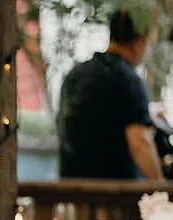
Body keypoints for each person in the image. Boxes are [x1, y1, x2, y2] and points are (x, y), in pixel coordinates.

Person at [57, 2, 164, 180]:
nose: (149, 50)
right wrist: (162, 191)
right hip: (113, 197)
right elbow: (140, 144)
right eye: (150, 43)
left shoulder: (75, 74)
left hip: (71, 192)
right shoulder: (127, 79)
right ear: (138, 43)